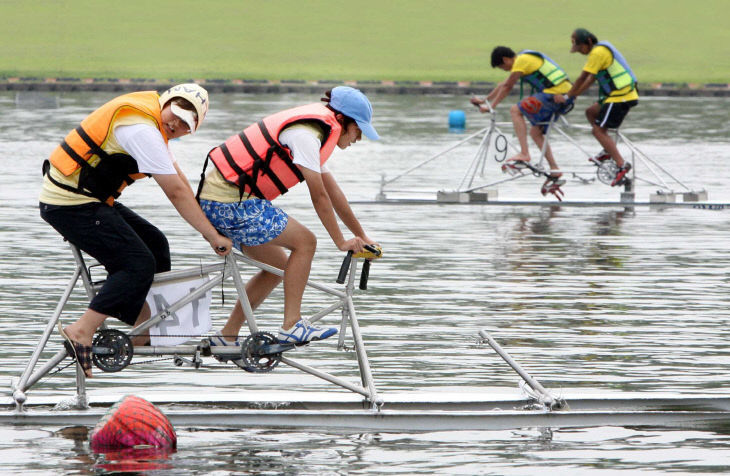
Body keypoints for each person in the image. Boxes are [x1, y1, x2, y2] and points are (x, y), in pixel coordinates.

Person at [40, 83, 233, 378]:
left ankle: (143, 328)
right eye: (176, 115)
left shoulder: (153, 123)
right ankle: (82, 330)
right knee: (137, 263)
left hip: (89, 199)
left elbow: (179, 180)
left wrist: (211, 223)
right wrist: (211, 236)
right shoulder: (142, 129)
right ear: (166, 103)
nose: (176, 124)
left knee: (156, 244)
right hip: (70, 204)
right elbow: (176, 193)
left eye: (185, 124)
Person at [196, 86, 379, 364]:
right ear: (343, 121)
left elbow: (333, 192)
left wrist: (361, 235)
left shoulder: (317, 133)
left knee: (278, 268)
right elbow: (318, 196)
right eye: (359, 130)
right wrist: (341, 242)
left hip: (225, 202)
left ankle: (228, 334)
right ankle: (292, 325)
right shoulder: (306, 135)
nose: (359, 138)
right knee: (306, 242)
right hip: (230, 204)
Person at [470, 46, 574, 194]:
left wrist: (491, 107)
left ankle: (524, 154)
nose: (504, 70)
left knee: (515, 110)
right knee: (535, 132)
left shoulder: (522, 60)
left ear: (506, 59)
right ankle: (555, 169)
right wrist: (484, 101)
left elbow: (507, 86)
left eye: (502, 67)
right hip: (560, 95)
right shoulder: (522, 60)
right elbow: (502, 84)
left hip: (557, 94)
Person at [555, 28, 639, 187]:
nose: (580, 52)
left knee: (598, 131)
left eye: (580, 48)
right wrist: (574, 95)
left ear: (588, 42)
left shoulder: (598, 52)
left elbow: (582, 77)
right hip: (616, 96)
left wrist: (567, 97)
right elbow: (591, 80)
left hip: (621, 96)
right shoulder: (598, 52)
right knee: (591, 112)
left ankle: (622, 164)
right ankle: (608, 150)